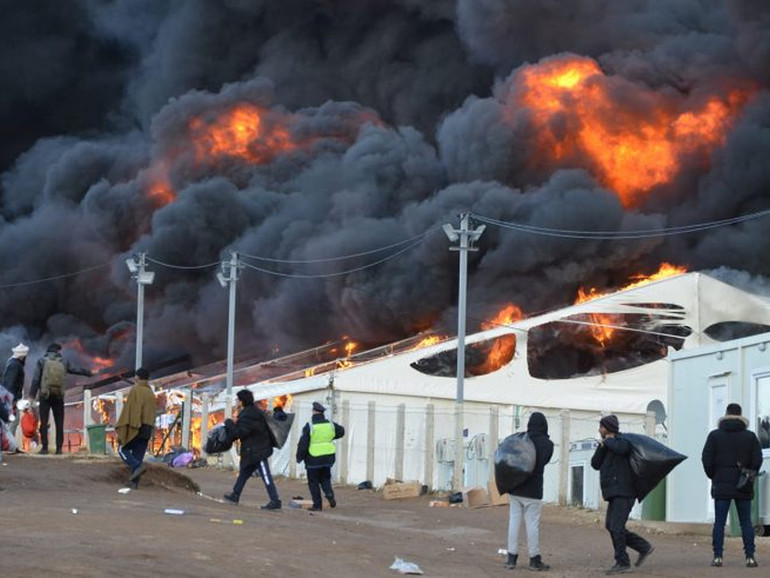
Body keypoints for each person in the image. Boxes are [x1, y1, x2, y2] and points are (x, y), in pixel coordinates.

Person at [701, 402, 763, 568]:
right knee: (746, 523)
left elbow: (706, 459)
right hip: (743, 484)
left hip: (721, 484)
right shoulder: (750, 436)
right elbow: (758, 460)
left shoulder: (714, 435)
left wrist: (714, 475)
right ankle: (750, 557)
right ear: (741, 416)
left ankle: (718, 557)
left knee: (720, 523)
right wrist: (750, 474)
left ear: (726, 414)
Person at [591, 414, 653, 575]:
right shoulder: (606, 444)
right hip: (614, 492)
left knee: (616, 526)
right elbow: (595, 464)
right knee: (610, 525)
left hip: (625, 492)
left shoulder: (623, 441)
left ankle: (622, 562)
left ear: (608, 428)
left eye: (601, 427)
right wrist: (602, 445)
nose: (599, 430)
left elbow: (622, 449)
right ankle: (643, 547)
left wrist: (609, 441)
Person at [505, 412, 554, 571]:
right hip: (534, 490)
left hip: (515, 486)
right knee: (532, 524)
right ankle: (534, 559)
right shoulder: (548, 444)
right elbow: (543, 462)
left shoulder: (521, 439)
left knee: (514, 521)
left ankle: (511, 558)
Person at [28, 343, 92, 455]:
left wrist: (31, 396)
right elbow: (75, 370)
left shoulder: (42, 361)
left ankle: (44, 448)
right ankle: (59, 449)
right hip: (58, 396)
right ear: (57, 351)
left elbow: (36, 379)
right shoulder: (63, 361)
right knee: (59, 423)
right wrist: (89, 373)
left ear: (48, 351)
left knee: (43, 423)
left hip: (45, 396)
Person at [223, 389, 282, 509]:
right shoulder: (252, 412)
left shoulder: (249, 415)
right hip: (253, 450)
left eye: (238, 400)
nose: (236, 402)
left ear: (242, 401)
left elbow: (240, 433)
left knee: (266, 476)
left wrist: (229, 424)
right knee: (244, 473)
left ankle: (275, 500)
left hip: (258, 451)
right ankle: (235, 494)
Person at [296, 401, 345, 512]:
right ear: (322, 413)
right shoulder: (330, 425)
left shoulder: (310, 426)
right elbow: (341, 431)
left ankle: (317, 505)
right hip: (328, 457)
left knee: (313, 482)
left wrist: (299, 457)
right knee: (325, 478)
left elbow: (303, 443)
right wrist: (330, 437)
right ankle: (329, 494)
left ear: (313, 412)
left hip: (313, 458)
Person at [115, 367, 157, 487]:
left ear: (137, 377)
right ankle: (134, 483)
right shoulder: (150, 392)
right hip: (147, 428)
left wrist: (125, 428)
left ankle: (137, 466)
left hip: (136, 427)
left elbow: (130, 410)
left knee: (122, 449)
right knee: (138, 455)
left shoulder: (136, 389)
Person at [3, 343, 29, 436]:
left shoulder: (12, 363)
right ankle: (9, 445)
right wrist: (12, 399)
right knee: (13, 420)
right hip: (11, 398)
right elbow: (11, 383)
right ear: (22, 356)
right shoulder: (15, 365)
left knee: (13, 420)